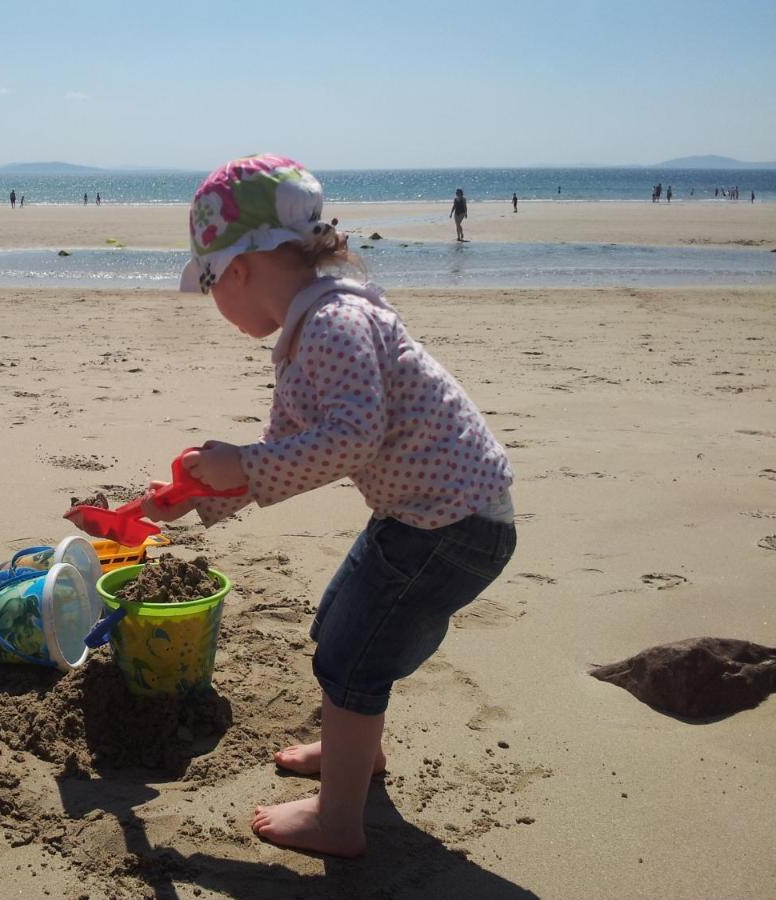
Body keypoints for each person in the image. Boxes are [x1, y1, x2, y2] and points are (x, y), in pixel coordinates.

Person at [147, 154, 515, 857]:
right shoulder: (307, 327)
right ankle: (356, 751)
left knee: (353, 661)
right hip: (429, 515)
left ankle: (338, 819)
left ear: (243, 268)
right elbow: (287, 448)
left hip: (451, 526)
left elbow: (349, 439)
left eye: (210, 283)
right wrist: (196, 495)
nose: (213, 303)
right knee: (340, 625)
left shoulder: (333, 322)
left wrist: (244, 465)